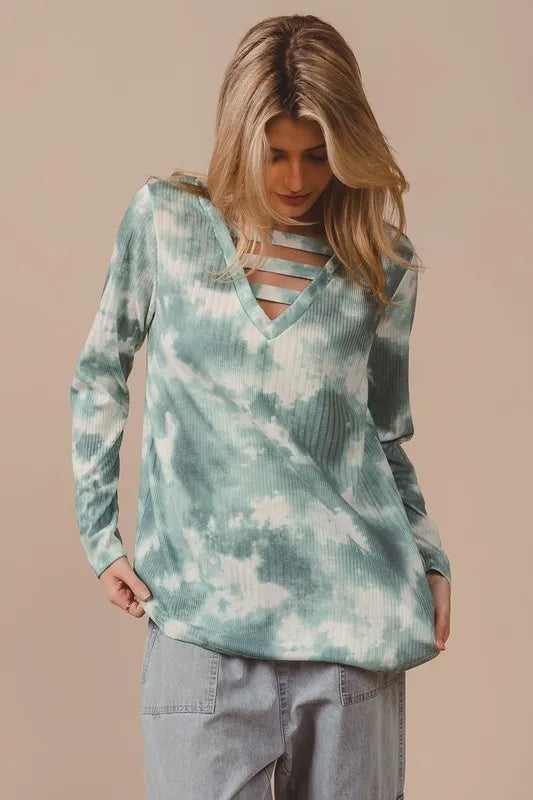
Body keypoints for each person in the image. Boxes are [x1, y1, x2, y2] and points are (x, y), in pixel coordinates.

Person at [69, 13, 451, 800]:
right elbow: (101, 370)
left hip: (353, 633)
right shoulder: (167, 221)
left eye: (317, 154)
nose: (295, 178)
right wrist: (99, 535)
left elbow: (383, 437)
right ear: (239, 138)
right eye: (274, 153)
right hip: (201, 631)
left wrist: (430, 557)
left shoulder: (380, 264)